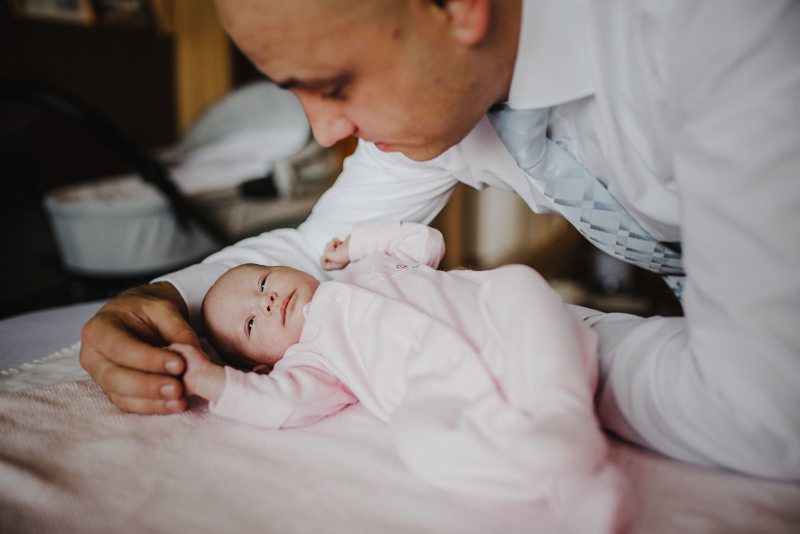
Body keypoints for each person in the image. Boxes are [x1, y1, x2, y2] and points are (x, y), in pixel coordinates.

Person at [79, 0, 800, 480]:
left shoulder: (723, 33)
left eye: (332, 84)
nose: (325, 131)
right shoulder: (436, 99)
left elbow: (768, 405)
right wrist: (162, 297)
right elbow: (317, 249)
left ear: (456, 9)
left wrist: (489, 334)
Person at [169, 221, 625, 527]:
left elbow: (426, 243)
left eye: (263, 281)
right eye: (252, 324)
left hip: (491, 321)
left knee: (520, 283)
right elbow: (284, 402)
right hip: (442, 390)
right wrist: (211, 381)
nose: (266, 302)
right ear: (261, 366)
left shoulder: (364, 269)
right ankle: (563, 476)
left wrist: (358, 245)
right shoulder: (310, 360)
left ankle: (563, 415)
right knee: (418, 439)